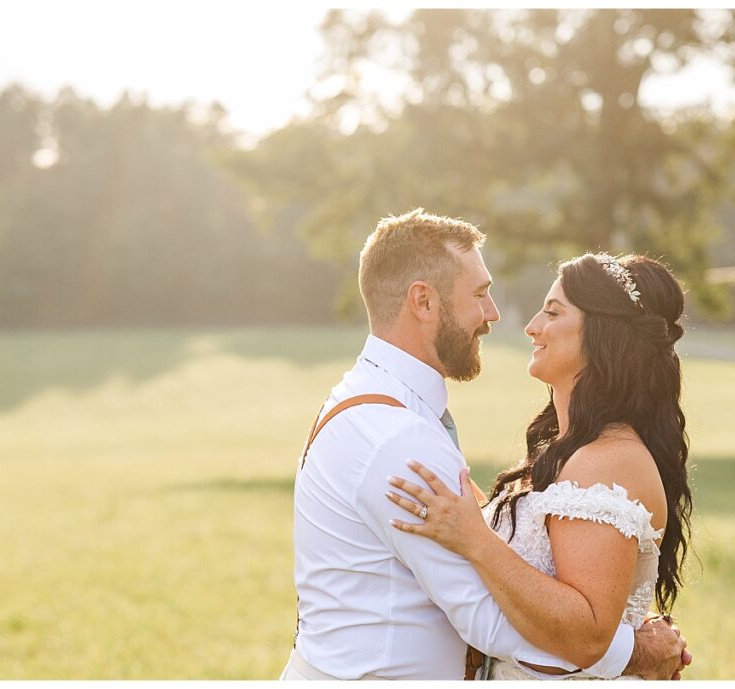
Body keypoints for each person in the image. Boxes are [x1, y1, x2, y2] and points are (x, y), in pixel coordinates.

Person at [280, 209, 688, 680]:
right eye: (479, 294)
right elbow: (484, 617)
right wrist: (633, 652)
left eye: (551, 312)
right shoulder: (397, 434)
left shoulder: (369, 402)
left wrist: (476, 537)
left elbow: (492, 552)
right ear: (424, 302)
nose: (498, 315)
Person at [384, 252, 693, 680]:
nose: (532, 326)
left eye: (553, 312)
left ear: (603, 333)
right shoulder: (572, 452)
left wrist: (474, 539)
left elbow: (586, 635)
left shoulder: (607, 461)